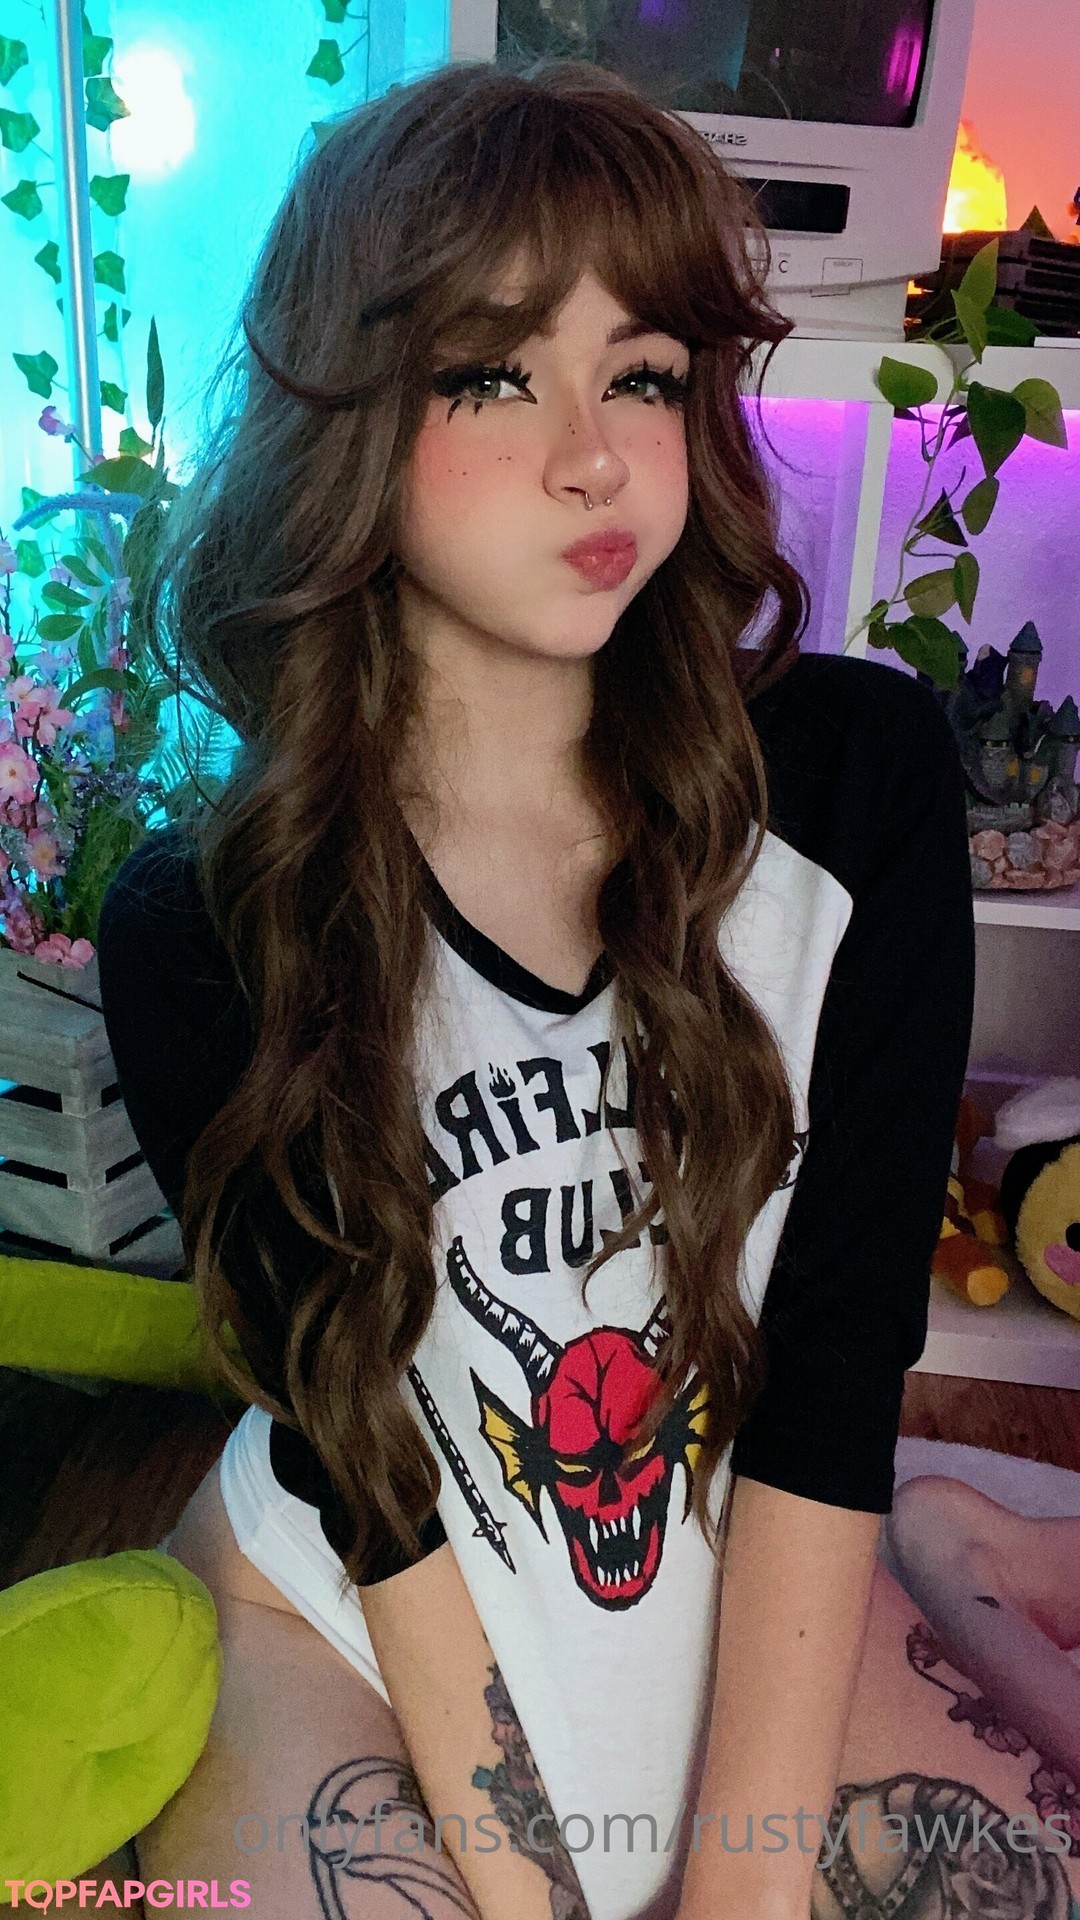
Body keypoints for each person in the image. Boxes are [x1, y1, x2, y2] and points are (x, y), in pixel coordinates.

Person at [96, 53, 976, 1920]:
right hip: (349, 1618)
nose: (595, 456)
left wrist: (738, 1891)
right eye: (494, 372)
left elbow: (836, 1371)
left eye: (640, 374)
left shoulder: (855, 789)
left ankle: (969, 1573)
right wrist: (527, 1892)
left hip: (728, 1572)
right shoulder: (205, 926)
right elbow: (369, 1474)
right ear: (349, 416)